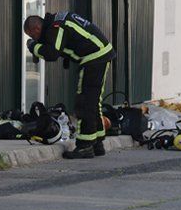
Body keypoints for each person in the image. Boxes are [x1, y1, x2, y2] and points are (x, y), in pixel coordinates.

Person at [24, 11, 116, 159]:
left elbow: (52, 53)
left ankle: (85, 146)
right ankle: (97, 143)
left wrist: (33, 46)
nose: (33, 38)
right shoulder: (57, 21)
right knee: (94, 102)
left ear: (36, 29)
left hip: (94, 56)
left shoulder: (56, 26)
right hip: (100, 53)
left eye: (32, 36)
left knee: (85, 101)